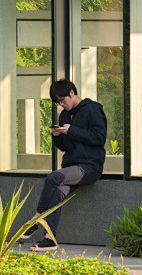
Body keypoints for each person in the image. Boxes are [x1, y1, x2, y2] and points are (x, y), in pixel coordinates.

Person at [23, 79, 107, 251]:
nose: (62, 105)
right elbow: (64, 147)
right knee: (58, 192)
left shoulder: (93, 109)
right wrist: (57, 135)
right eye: (58, 103)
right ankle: (49, 238)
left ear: (71, 93)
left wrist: (71, 130)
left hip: (90, 166)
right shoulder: (64, 116)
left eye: (63, 100)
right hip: (72, 166)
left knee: (54, 177)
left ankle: (36, 218)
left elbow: (99, 138)